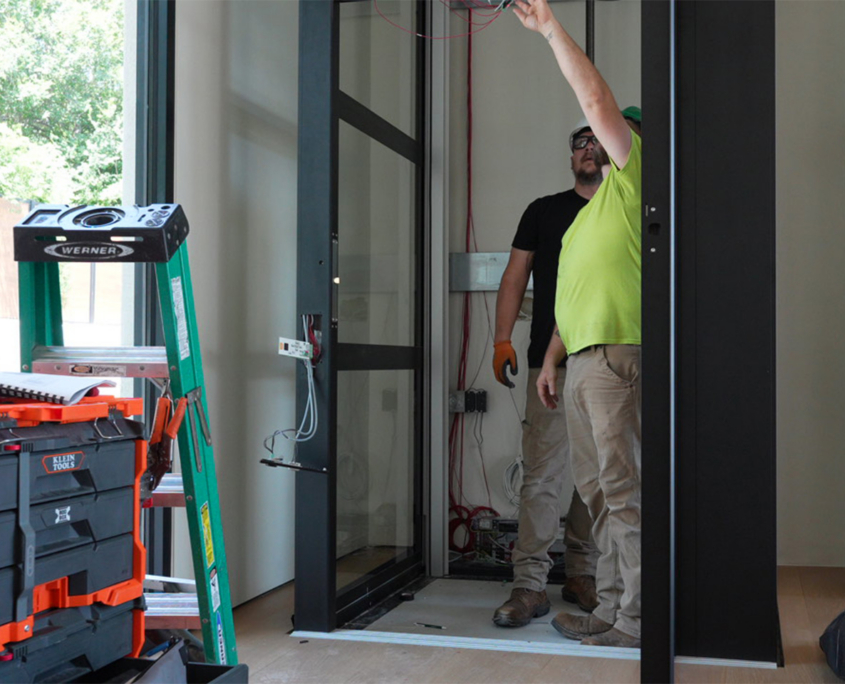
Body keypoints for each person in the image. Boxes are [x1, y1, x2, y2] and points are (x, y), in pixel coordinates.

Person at [514, 0, 644, 649]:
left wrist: (547, 28)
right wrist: (549, 359)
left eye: (611, 134)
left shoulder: (633, 182)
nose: (595, 140)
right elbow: (570, 294)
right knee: (595, 493)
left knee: (620, 493)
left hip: (618, 358)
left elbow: (594, 100)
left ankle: (636, 620)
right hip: (579, 361)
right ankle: (610, 609)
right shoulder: (582, 217)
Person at [490, 121, 604, 628]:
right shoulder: (544, 210)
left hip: (610, 361)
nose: (588, 149)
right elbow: (515, 275)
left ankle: (583, 575)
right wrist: (501, 340)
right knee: (542, 476)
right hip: (549, 365)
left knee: (596, 479)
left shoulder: (625, 207)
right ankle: (529, 586)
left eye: (596, 141)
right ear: (571, 156)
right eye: (579, 143)